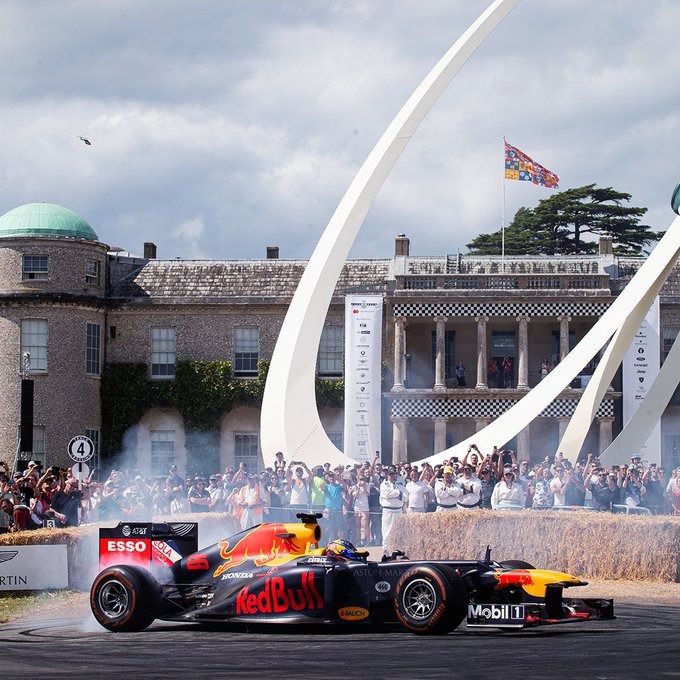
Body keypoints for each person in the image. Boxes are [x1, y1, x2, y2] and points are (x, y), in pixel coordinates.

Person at [379, 469, 404, 545]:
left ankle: (397, 546)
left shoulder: (400, 485)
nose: (392, 476)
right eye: (391, 475)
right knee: (387, 529)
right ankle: (386, 547)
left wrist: (397, 495)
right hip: (388, 510)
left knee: (399, 529)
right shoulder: (384, 484)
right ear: (387, 476)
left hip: (398, 510)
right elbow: (386, 494)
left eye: (394, 474)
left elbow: (405, 496)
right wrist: (398, 493)